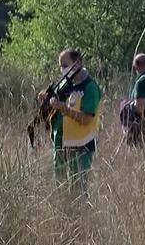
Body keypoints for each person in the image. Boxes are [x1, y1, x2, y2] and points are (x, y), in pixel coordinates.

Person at [40, 48, 102, 193]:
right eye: (60, 66)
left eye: (65, 65)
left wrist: (64, 108)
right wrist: (47, 100)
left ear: (78, 63)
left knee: (78, 190)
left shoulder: (90, 87)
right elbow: (55, 106)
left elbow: (86, 119)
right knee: (59, 188)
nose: (63, 69)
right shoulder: (64, 84)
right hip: (60, 143)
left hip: (81, 146)